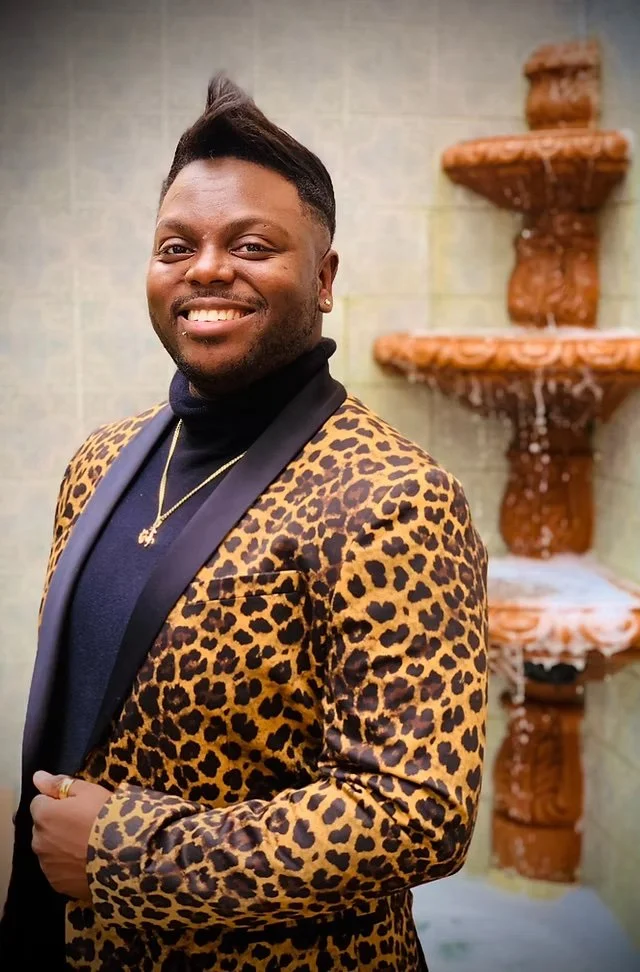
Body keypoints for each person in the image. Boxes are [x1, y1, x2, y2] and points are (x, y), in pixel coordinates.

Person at [1, 75, 488, 971]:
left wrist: (122, 855)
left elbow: (421, 811)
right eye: (176, 246)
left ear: (324, 278)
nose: (206, 269)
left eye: (251, 245)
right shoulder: (100, 462)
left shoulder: (393, 495)